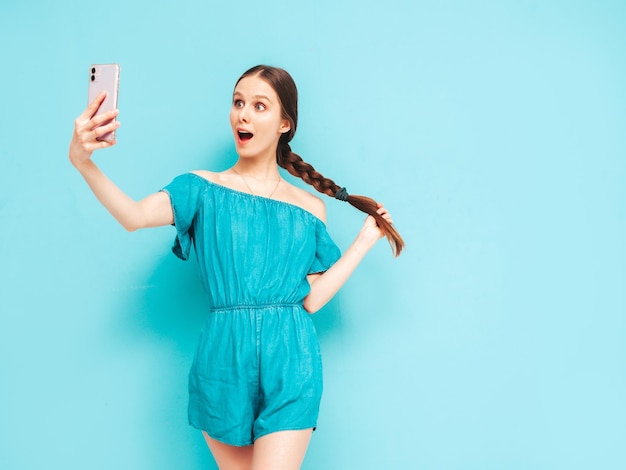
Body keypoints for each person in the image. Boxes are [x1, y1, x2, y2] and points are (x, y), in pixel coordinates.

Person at [69, 64, 404, 470]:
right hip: (224, 360)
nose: (243, 114)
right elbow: (134, 216)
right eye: (238, 102)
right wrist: (83, 162)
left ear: (284, 123)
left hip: (292, 360)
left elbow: (312, 300)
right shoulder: (200, 187)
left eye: (259, 106)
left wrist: (364, 241)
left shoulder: (310, 207)